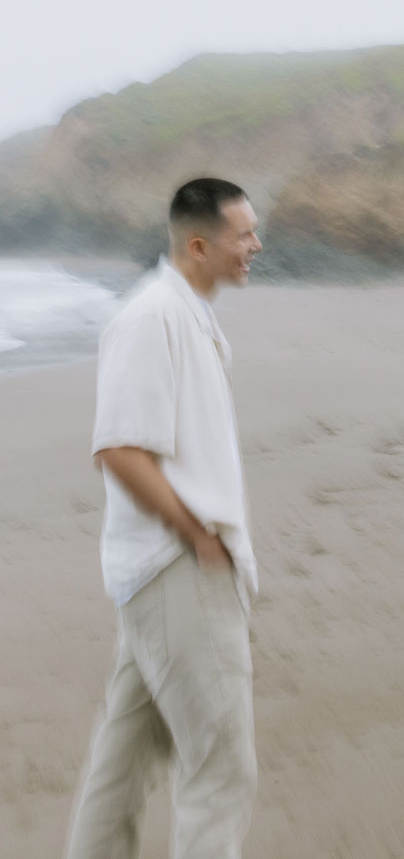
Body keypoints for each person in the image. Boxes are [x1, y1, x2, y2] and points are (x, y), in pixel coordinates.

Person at [65, 178, 263, 859]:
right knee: (222, 770)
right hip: (176, 569)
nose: (255, 247)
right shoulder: (152, 317)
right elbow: (118, 448)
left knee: (122, 763)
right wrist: (197, 535)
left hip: (161, 570)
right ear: (199, 244)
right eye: (243, 236)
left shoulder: (187, 314)